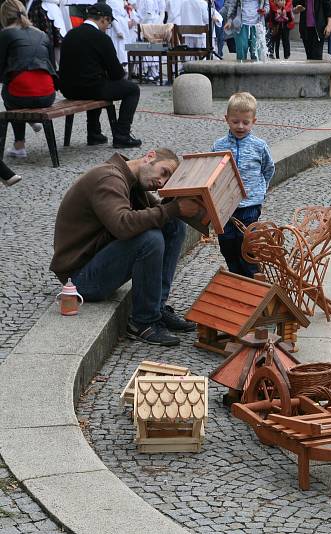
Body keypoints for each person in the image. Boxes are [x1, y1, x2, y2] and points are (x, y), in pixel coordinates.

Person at [50, 149, 200, 346]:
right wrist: (174, 208)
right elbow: (122, 225)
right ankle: (143, 322)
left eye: (167, 181)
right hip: (78, 282)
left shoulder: (131, 180)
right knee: (150, 239)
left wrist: (177, 202)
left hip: (98, 261)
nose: (161, 183)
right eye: (163, 172)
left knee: (173, 225)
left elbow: (158, 214)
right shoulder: (108, 178)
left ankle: (157, 307)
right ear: (150, 156)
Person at [59, 2, 141, 148]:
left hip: (68, 89)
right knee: (132, 89)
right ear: (103, 19)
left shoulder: (70, 34)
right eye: (108, 24)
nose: (106, 28)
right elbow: (116, 73)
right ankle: (122, 134)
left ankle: (94, 133)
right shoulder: (101, 38)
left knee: (97, 80)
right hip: (91, 88)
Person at [211, 92, 275, 278]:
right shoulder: (219, 145)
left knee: (246, 242)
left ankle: (251, 276)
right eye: (235, 121)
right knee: (227, 240)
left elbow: (268, 169)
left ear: (253, 121)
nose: (240, 126)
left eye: (245, 122)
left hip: (250, 204)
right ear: (226, 119)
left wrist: (260, 191)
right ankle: (235, 274)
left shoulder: (259, 146)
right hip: (226, 205)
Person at [0, 0, 57, 159]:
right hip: (48, 95)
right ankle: (31, 121)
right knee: (18, 88)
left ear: (4, 16)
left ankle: (19, 146)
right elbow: (52, 65)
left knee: (9, 92)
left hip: (20, 96)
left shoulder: (6, 34)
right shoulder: (41, 33)